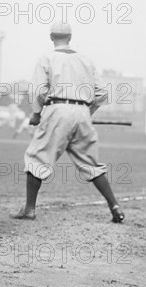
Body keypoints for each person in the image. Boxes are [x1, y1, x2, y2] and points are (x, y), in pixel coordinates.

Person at [11, 22, 125, 223]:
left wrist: (36, 114)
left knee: (36, 158)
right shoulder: (86, 60)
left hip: (58, 110)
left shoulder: (47, 57)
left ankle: (29, 209)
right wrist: (87, 112)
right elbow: (102, 93)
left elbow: (37, 91)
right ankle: (114, 206)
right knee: (91, 164)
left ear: (51, 37)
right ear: (70, 38)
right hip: (81, 112)